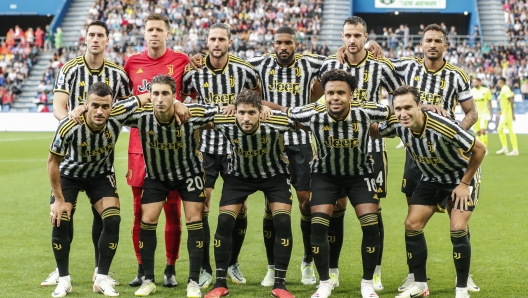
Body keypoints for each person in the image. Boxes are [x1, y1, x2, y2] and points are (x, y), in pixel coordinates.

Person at [268, 69, 392, 298]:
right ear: (324, 94)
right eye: (330, 93)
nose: (335, 97)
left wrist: (424, 109)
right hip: (325, 175)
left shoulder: (367, 110)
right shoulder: (313, 112)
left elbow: (397, 112)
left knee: (371, 225)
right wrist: (263, 106)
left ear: (352, 95)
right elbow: (286, 112)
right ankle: (324, 282)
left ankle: (367, 283)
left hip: (360, 175)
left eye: (341, 93)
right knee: (318, 226)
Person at [386, 24, 479, 293]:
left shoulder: (457, 75)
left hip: (448, 156)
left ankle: (464, 274)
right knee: (413, 216)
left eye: (438, 40)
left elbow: (471, 112)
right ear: (421, 43)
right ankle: (414, 275)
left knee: (457, 215)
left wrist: (456, 137)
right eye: (428, 40)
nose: (433, 44)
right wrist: (369, 46)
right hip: (416, 155)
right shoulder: (407, 67)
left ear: (445, 45)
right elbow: (378, 64)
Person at [370, 85, 486, 298]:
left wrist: (463, 184)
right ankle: (421, 285)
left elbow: (480, 149)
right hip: (432, 178)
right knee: (412, 225)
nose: (403, 113)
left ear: (419, 106)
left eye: (408, 107)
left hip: (460, 178)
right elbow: (375, 131)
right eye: (398, 108)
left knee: (458, 227)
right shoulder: (397, 122)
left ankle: (461, 289)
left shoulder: (442, 127)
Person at [43, 20, 132, 288]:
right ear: (85, 38)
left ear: (107, 40)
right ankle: (62, 273)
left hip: (101, 162)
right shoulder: (69, 69)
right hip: (71, 159)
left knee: (103, 217)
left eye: (100, 35)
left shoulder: (117, 74)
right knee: (63, 215)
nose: (95, 39)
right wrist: (70, 118)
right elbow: (59, 106)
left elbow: (128, 109)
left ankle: (99, 273)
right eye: (91, 34)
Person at [321, 16, 403, 291]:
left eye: (357, 35)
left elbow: (401, 96)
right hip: (336, 152)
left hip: (372, 151)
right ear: (342, 38)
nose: (352, 40)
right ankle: (332, 271)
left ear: (366, 37)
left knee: (373, 211)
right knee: (336, 210)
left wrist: (386, 124)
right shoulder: (330, 65)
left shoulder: (380, 66)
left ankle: (375, 271)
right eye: (348, 35)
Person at [47, 82, 151, 298]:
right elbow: (52, 163)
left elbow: (149, 96)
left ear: (113, 106)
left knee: (112, 219)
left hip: (100, 174)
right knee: (60, 218)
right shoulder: (69, 125)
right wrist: (58, 199)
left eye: (105, 106)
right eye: (95, 105)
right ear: (85, 104)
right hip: (70, 175)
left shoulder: (119, 113)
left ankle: (101, 278)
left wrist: (177, 104)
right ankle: (64, 279)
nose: (100, 111)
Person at [244, 26, 326, 287]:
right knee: (272, 206)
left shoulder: (311, 63)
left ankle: (307, 262)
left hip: (301, 143)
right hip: (272, 143)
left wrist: (369, 49)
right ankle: (272, 267)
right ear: (273, 44)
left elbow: (337, 62)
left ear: (296, 44)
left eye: (288, 42)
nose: (283, 47)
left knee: (306, 204)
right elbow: (230, 64)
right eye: (279, 42)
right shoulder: (259, 63)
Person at [181, 23, 260, 288]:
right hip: (205, 148)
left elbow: (257, 98)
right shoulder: (194, 72)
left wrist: (240, 106)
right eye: (212, 39)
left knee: (240, 208)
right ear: (207, 41)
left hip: (237, 148)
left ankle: (232, 262)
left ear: (229, 41)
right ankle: (204, 268)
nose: (217, 43)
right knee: (202, 205)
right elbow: (180, 99)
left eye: (221, 39)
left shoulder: (244, 70)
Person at [123, 74, 209, 297]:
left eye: (165, 94)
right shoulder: (142, 116)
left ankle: (193, 282)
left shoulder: (192, 114)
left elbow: (222, 112)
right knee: (147, 220)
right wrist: (141, 99)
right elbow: (115, 111)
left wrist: (182, 104)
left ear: (174, 96)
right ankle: (149, 280)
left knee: (194, 219)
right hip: (157, 176)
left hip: (188, 174)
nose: (160, 99)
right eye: (156, 94)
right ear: (150, 96)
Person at [204, 89, 295, 298]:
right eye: (242, 112)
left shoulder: (277, 122)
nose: (246, 118)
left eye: (252, 112)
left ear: (260, 111)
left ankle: (280, 284)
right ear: (235, 111)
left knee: (282, 222)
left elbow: (300, 118)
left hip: (274, 176)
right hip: (238, 176)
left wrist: (274, 109)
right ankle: (219, 283)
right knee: (224, 222)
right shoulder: (223, 120)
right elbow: (196, 114)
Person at [124, 13, 190, 288]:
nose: (153, 33)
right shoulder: (131, 63)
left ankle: (170, 268)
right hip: (139, 148)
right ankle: (142, 268)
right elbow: (125, 103)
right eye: (149, 29)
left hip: (173, 149)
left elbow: (189, 99)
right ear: (144, 33)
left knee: (173, 209)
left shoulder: (182, 61)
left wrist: (178, 104)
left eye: (158, 29)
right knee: (140, 212)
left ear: (167, 33)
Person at [495, 77, 519, 156]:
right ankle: (505, 147)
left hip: (507, 113)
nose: (497, 83)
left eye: (498, 82)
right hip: (504, 113)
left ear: (500, 82)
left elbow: (511, 100)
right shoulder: (504, 89)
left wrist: (512, 113)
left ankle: (515, 150)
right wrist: (502, 111)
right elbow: (506, 102)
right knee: (500, 129)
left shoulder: (505, 89)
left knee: (510, 130)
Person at [470, 78, 492, 150]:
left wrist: (491, 112)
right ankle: (479, 148)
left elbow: (489, 102)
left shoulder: (486, 90)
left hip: (484, 113)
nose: (474, 83)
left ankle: (485, 148)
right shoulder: (471, 91)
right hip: (475, 114)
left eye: (475, 82)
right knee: (478, 132)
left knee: (483, 131)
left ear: (479, 82)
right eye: (473, 82)